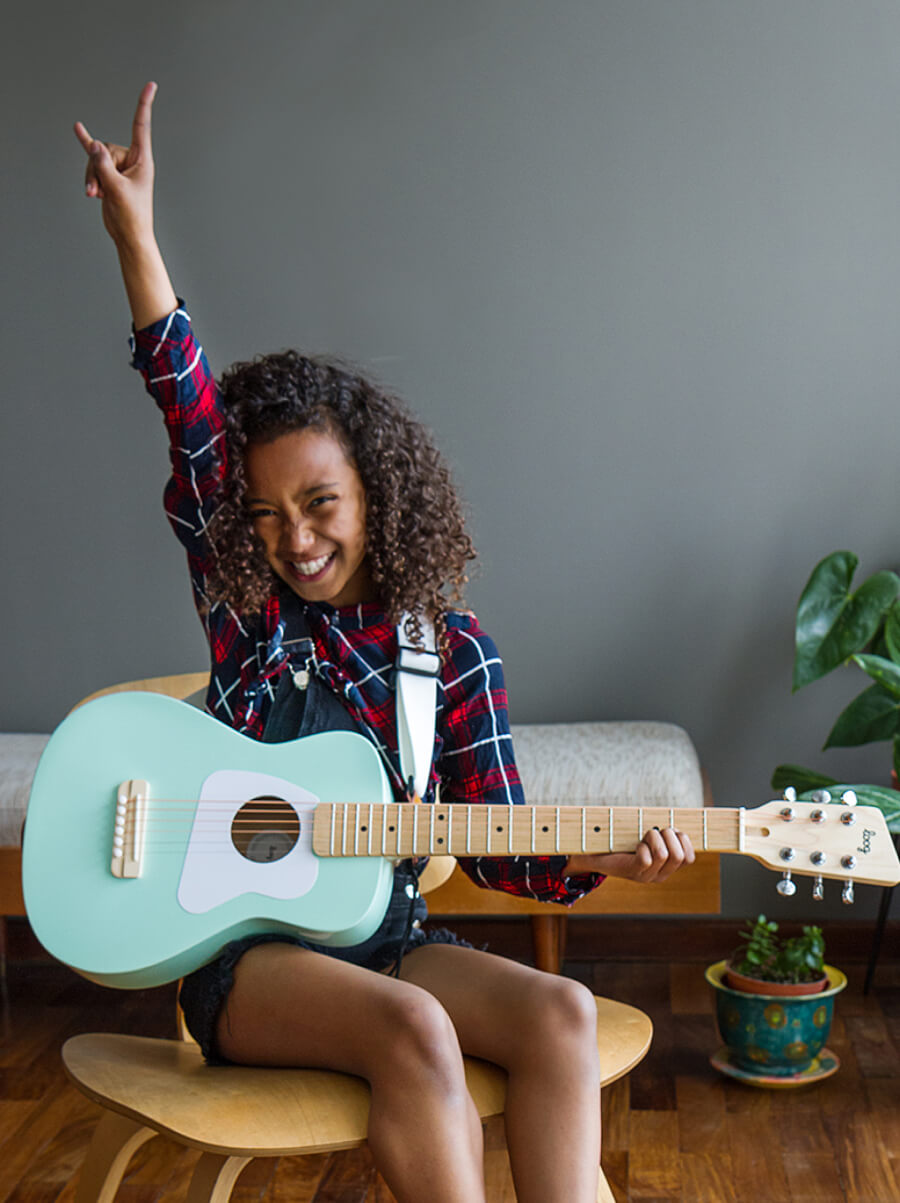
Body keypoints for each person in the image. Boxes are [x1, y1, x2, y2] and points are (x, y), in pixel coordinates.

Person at [75, 82, 695, 1203]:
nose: (294, 538)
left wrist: (601, 859)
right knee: (415, 1027)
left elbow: (498, 845)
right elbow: (190, 413)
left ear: (376, 491)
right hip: (249, 962)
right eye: (264, 516)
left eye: (319, 503)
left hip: (389, 938)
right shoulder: (250, 617)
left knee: (560, 1012)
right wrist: (137, 238)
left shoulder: (452, 654)